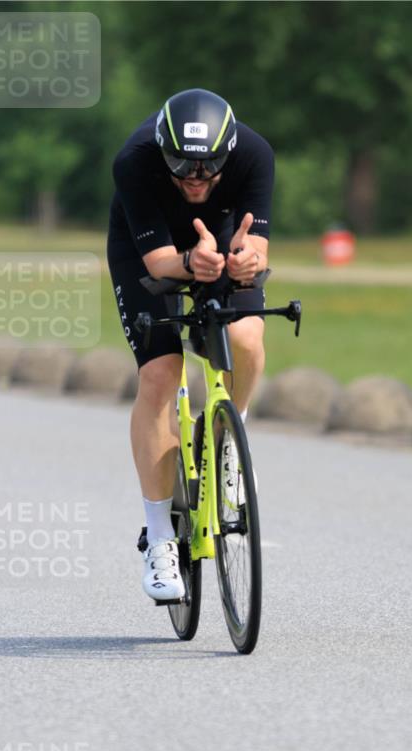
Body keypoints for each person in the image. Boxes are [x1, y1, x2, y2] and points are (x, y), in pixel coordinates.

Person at [107, 89, 274, 602]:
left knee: (246, 336)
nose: (196, 178)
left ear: (229, 151)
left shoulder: (255, 153)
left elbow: (257, 245)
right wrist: (189, 263)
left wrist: (246, 260)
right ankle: (160, 539)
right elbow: (159, 264)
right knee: (160, 373)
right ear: (163, 149)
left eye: (209, 166)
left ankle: (231, 439)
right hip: (148, 251)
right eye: (182, 165)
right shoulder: (135, 161)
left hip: (219, 239)